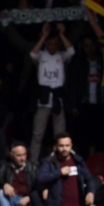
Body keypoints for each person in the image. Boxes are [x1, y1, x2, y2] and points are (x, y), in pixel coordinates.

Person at [28, 23, 74, 166]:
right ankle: (33, 162)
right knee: (37, 133)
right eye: (50, 44)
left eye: (55, 44)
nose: (52, 47)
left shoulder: (62, 55)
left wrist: (61, 34)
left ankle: (59, 160)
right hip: (44, 98)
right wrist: (44, 36)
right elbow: (32, 53)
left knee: (60, 133)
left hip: (57, 98)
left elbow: (71, 51)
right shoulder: (42, 55)